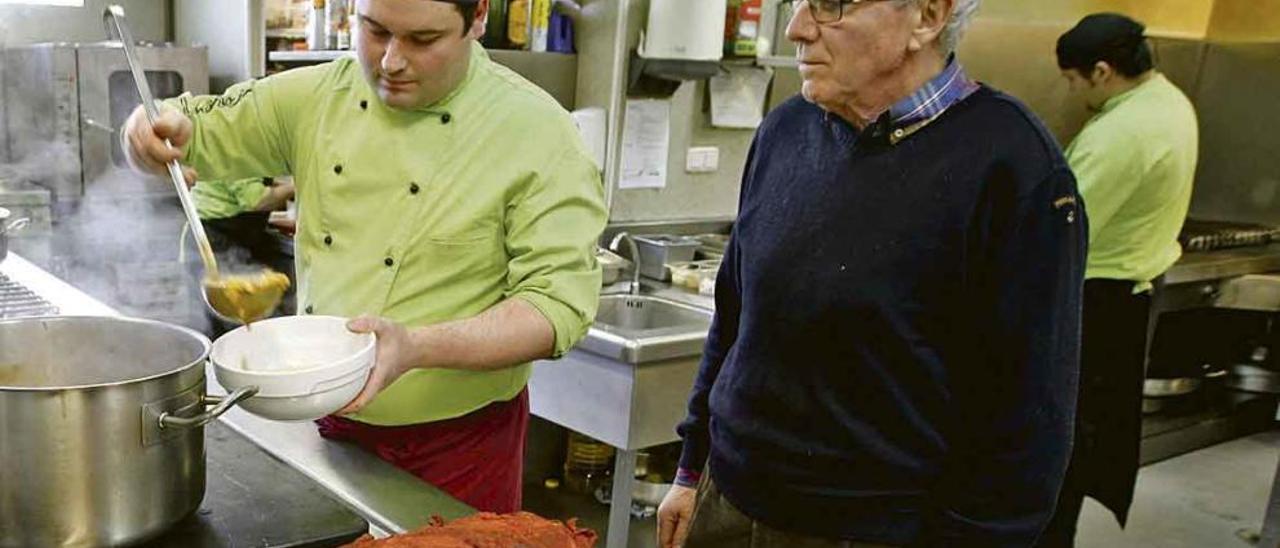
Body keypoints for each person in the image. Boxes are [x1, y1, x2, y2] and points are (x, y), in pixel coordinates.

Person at [122, 0, 606, 513]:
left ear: (479, 17)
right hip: (322, 429)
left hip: (462, 447)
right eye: (374, 31)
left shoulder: (537, 131)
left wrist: (415, 347)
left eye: (423, 40)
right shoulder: (315, 96)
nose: (391, 61)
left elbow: (556, 310)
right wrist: (145, 134)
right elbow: (189, 129)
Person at [657, 0, 1088, 546]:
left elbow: (1029, 425)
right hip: (729, 500)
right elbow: (736, 320)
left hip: (872, 530)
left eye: (831, 5)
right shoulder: (785, 131)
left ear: (928, 16)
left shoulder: (1015, 170)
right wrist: (691, 469)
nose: (796, 29)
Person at [1037, 13, 1199, 546]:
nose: (1073, 90)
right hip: (1130, 296)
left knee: (1060, 444)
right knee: (1083, 443)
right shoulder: (1169, 101)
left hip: (1094, 301)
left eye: (1073, 79)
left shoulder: (1121, 133)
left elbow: (1059, 229)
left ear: (1102, 71)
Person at [189, 177, 297, 336]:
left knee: (252, 322)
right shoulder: (233, 153)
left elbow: (262, 178)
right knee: (231, 322)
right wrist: (299, 183)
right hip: (213, 235)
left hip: (246, 230)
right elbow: (257, 200)